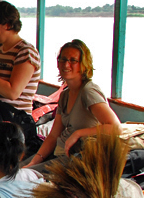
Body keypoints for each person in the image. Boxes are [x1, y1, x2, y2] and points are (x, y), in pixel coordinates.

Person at [27, 39, 120, 169]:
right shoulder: (65, 94)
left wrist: (78, 133)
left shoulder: (88, 92)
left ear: (83, 64)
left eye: (73, 60)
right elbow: (54, 135)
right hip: (59, 152)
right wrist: (35, 160)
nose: (66, 64)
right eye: (63, 59)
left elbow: (115, 127)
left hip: (75, 160)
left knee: (21, 177)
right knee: (16, 169)